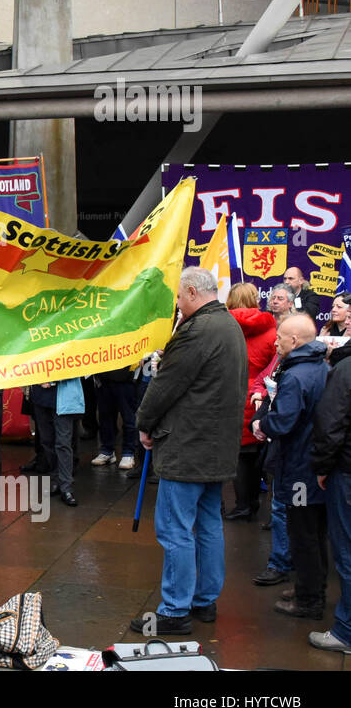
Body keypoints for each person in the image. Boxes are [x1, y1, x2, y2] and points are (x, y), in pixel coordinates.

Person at [130, 267, 247, 636]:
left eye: (179, 297)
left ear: (193, 292)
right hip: (218, 446)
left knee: (176, 529)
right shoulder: (230, 326)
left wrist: (144, 423)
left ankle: (175, 609)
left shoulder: (197, 331)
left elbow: (166, 385)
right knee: (210, 524)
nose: (177, 304)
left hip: (188, 445)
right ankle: (203, 601)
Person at [252, 314, 329, 619]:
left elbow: (283, 421)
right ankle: (311, 586)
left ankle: (309, 599)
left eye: (281, 336)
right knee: (314, 533)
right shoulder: (320, 366)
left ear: (294, 341)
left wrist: (262, 424)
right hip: (311, 465)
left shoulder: (296, 376)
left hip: (300, 468)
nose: (276, 340)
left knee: (303, 534)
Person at [307, 335, 351, 652]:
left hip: (346, 472)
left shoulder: (345, 369)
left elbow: (330, 422)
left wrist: (322, 466)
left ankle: (347, 630)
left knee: (347, 552)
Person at [225, 282, 277, 521]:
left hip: (229, 393)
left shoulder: (223, 327)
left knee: (238, 457)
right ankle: (254, 503)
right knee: (255, 455)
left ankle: (244, 504)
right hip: (258, 397)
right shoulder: (271, 330)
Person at [29, 378, 83, 506]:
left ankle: (66, 486)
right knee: (47, 441)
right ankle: (56, 479)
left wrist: (55, 378)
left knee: (63, 443)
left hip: (64, 395)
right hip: (40, 396)